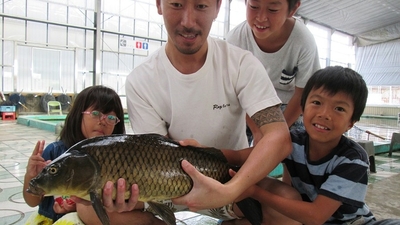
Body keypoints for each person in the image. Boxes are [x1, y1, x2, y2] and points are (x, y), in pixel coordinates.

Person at [85, 0, 298, 224]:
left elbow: (279, 138)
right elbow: (154, 155)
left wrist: (230, 190)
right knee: (90, 207)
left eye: (201, 6)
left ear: (217, 7)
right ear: (159, 4)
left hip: (228, 180)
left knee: (287, 202)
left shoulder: (240, 63)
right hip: (167, 185)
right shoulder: (141, 80)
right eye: (176, 4)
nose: (188, 21)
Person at [233, 66, 400, 224]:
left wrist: (255, 192)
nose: (324, 114)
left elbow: (316, 216)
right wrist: (213, 152)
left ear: (351, 122)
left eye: (339, 109)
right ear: (303, 108)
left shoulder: (353, 159)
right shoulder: (292, 141)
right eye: (317, 103)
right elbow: (249, 155)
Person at [23, 85, 126, 224]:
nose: (103, 121)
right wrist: (30, 175)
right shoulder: (55, 152)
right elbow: (32, 201)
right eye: (95, 114)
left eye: (111, 117)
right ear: (78, 115)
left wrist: (79, 206)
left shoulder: (115, 159)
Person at [226, 0, 320, 145]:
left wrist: (278, 131)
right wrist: (258, 131)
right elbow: (235, 90)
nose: (261, 17)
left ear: (292, 9)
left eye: (273, 9)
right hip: (247, 103)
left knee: (289, 149)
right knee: (232, 142)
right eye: (254, 7)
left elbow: (303, 93)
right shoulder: (235, 40)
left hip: (287, 107)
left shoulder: (303, 41)